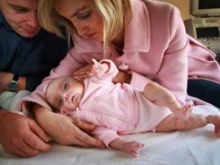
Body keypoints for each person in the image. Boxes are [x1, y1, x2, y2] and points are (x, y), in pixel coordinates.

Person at [20, 0, 220, 153]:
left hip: (194, 74)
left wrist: (122, 78)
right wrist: (43, 114)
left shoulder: (165, 17)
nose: (79, 30)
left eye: (84, 14)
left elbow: (173, 100)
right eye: (70, 22)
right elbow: (53, 81)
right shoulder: (83, 36)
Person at [44, 59, 220, 157]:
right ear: (64, 111)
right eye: (60, 101)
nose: (65, 96)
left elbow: (111, 72)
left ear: (77, 80)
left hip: (146, 99)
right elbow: (104, 134)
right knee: (181, 124)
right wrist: (123, 145)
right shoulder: (81, 119)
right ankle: (209, 120)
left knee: (152, 88)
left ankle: (175, 106)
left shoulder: (94, 83)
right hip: (153, 123)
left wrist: (102, 68)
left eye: (65, 87)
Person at [0, 0, 103, 158]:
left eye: (43, 11)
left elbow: (76, 77)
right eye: (20, 10)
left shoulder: (69, 23)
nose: (34, 23)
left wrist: (15, 82)